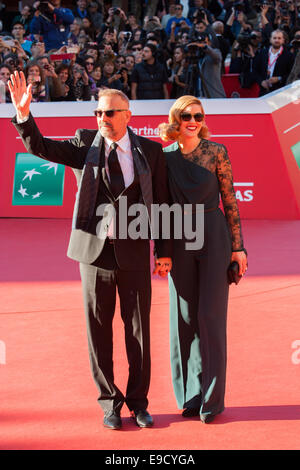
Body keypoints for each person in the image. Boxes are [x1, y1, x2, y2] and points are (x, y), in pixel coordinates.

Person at [8, 72, 172, 430]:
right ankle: (110, 403)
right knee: (98, 332)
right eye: (99, 113)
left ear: (128, 116)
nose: (103, 120)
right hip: (93, 254)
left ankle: (139, 403)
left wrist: (163, 251)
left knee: (139, 332)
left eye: (110, 113)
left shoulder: (151, 152)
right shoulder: (86, 143)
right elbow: (42, 148)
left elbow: (160, 204)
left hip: (133, 254)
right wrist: (24, 116)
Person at [159, 95, 247, 424]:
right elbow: (160, 207)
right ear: (176, 119)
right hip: (180, 237)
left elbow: (230, 200)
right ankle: (190, 396)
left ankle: (212, 398)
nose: (192, 120)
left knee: (210, 317)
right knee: (184, 319)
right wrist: (163, 251)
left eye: (198, 115)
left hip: (214, 235)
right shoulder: (164, 156)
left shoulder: (217, 152)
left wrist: (239, 248)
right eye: (186, 115)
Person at [253, 29, 295, 96]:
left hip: (280, 92)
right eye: (274, 38)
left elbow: (291, 74)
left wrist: (279, 78)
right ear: (270, 39)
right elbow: (255, 70)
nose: (277, 40)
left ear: (283, 40)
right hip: (264, 91)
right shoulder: (262, 53)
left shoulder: (289, 56)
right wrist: (261, 81)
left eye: (279, 38)